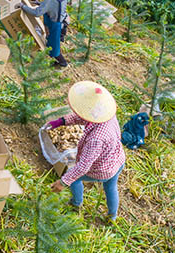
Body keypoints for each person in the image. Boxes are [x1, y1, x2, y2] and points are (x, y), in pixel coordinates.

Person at [47, 82, 126, 223]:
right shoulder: (106, 115)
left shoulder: (96, 138)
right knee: (111, 187)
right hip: (117, 159)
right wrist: (62, 121)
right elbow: (83, 117)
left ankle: (75, 203)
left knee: (74, 178)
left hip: (102, 169)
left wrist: (64, 181)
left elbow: (83, 166)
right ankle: (112, 216)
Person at [22, 0, 68, 67]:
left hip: (55, 24)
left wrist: (23, 7)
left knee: (55, 47)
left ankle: (62, 63)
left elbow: (37, 13)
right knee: (51, 40)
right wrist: (40, 3)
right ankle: (50, 51)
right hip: (61, 20)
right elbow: (55, 6)